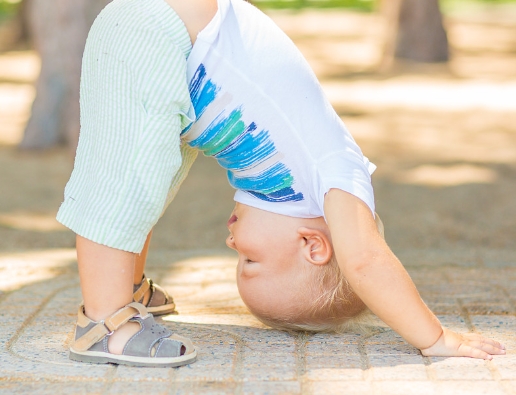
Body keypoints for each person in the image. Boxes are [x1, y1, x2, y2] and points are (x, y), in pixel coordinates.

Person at [57, 0, 505, 367]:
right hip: (159, 32)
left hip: (170, 43)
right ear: (314, 246)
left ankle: (126, 287)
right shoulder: (335, 180)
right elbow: (366, 262)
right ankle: (104, 322)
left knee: (151, 176)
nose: (232, 244)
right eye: (251, 258)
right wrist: (435, 337)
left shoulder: (294, 188)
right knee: (127, 176)